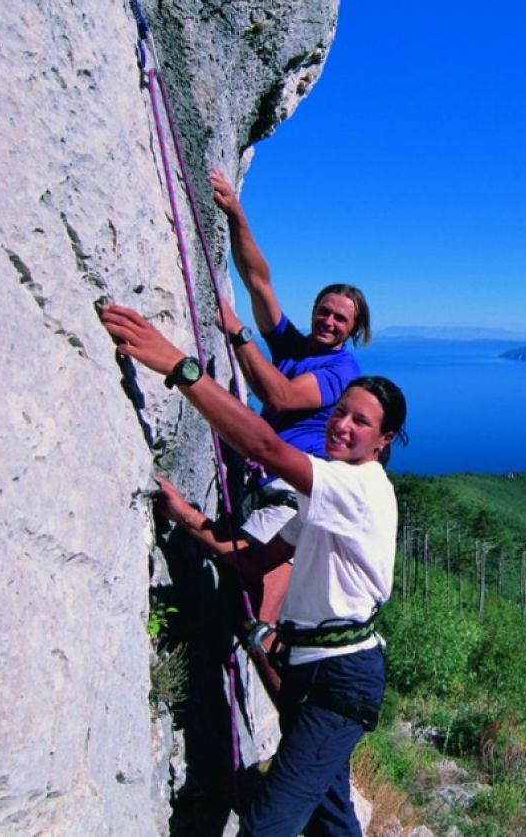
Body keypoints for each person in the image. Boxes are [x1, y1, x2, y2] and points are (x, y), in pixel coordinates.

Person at [101, 302, 406, 836]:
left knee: (265, 825)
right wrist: (189, 518)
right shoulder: (326, 496)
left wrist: (178, 365)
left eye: (362, 422)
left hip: (339, 676)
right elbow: (255, 557)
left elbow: (265, 443)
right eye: (340, 412)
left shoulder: (360, 488)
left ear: (383, 442)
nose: (343, 424)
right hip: (311, 671)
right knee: (329, 817)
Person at [209, 168, 372, 626]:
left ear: (353, 330)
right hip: (263, 484)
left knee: (242, 588)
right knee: (239, 588)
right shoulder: (294, 347)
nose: (329, 321)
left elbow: (279, 397)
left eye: (341, 319)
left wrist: (238, 332)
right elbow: (259, 281)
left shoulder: (343, 371)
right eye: (324, 312)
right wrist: (236, 214)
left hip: (288, 497)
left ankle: (268, 669)